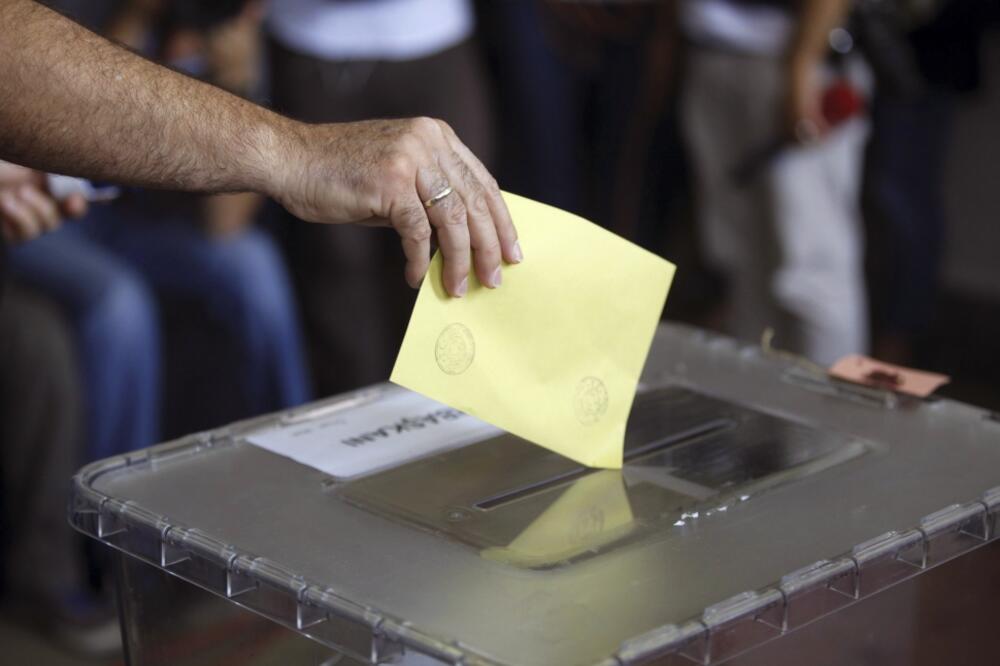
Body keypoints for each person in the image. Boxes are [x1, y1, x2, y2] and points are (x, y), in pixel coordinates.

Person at [0, 0, 521, 301]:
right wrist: (299, 154)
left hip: (137, 213)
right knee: (117, 302)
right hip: (82, 221)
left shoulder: (238, 36)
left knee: (251, 265)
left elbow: (221, 225)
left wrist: (239, 80)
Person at [267, 0, 499, 393]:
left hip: (435, 36)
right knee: (338, 281)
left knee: (457, 257)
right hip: (311, 42)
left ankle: (455, 416)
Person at [680, 0, 870, 365]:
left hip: (792, 58)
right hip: (714, 48)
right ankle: (757, 398)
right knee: (745, 267)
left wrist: (803, 63)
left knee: (812, 271)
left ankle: (834, 400)